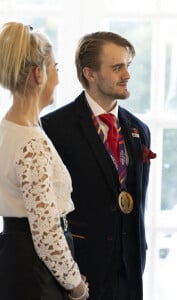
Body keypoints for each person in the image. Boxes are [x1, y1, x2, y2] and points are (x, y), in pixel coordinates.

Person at [41, 31, 155, 300]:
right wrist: (69, 278)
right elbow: (49, 213)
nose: (127, 75)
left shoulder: (139, 130)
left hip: (129, 271)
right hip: (79, 275)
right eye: (117, 67)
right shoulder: (54, 128)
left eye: (128, 66)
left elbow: (136, 203)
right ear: (90, 74)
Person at [0, 22, 88, 300]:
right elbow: (47, 234)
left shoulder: (8, 129)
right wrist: (76, 286)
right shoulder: (31, 142)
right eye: (56, 69)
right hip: (35, 273)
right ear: (39, 74)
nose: (59, 79)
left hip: (15, 258)